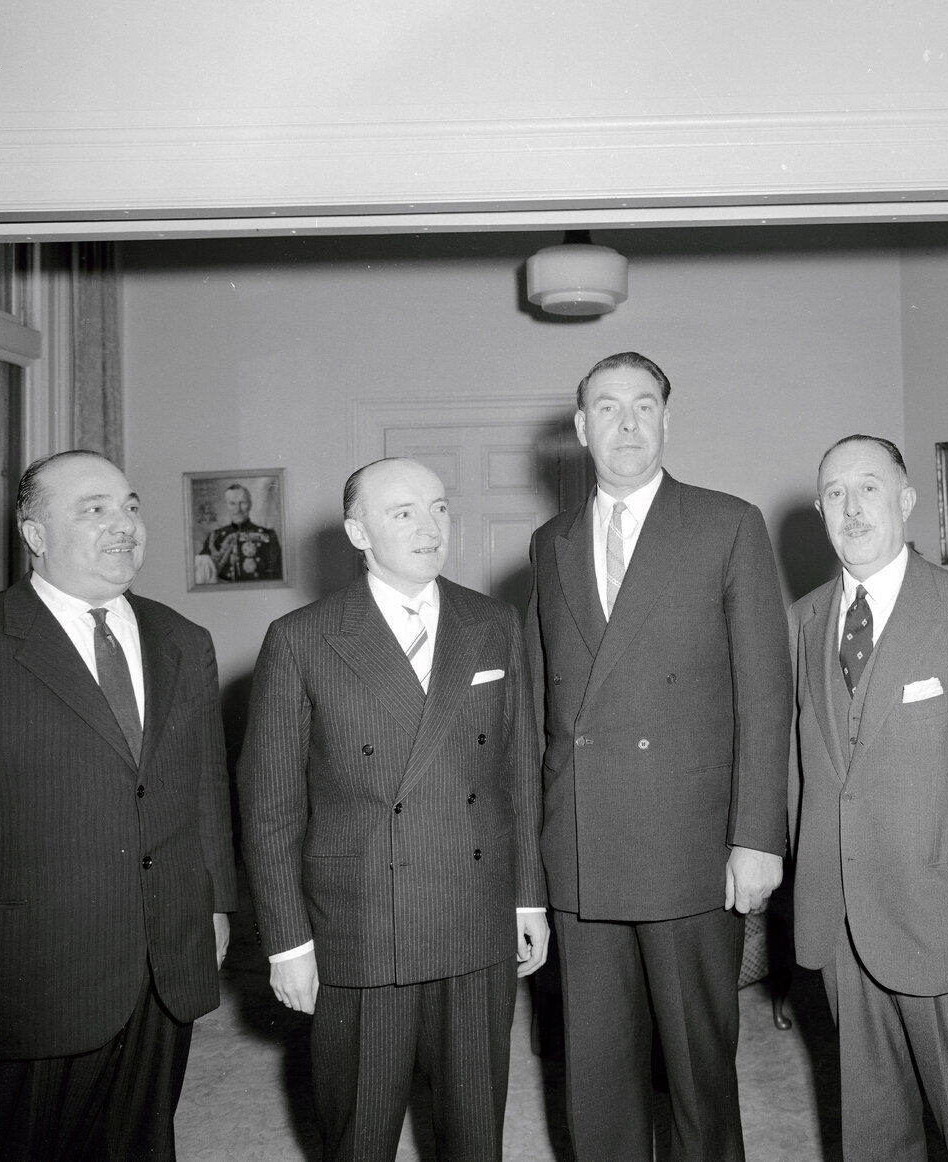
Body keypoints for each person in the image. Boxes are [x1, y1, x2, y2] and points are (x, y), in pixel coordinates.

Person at [0, 449, 236, 1161]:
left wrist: (214, 904)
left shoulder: (183, 641)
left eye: (131, 506)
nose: (124, 524)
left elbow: (204, 790)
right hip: (22, 983)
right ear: (35, 534)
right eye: (94, 509)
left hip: (161, 969)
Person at [239, 457, 547, 1162]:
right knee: (361, 1132)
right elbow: (270, 809)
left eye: (438, 508)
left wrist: (528, 899)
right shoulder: (302, 638)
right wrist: (287, 942)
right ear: (357, 531)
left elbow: (517, 772)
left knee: (476, 1134)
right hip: (363, 923)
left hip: (475, 912)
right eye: (403, 512)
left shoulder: (493, 622)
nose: (430, 526)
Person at [525, 351, 791, 1161]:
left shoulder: (727, 522)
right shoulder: (550, 542)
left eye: (645, 406)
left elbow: (765, 692)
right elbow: (543, 713)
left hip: (689, 844)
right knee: (596, 1080)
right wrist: (531, 878)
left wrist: (757, 837)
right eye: (607, 408)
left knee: (697, 1074)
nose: (628, 423)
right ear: (580, 429)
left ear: (668, 420)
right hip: (580, 846)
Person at [787, 434, 948, 1162]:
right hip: (843, 920)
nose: (851, 507)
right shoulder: (804, 621)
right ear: (819, 510)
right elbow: (800, 773)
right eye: (834, 493)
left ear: (905, 500)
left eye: (868, 488)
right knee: (873, 1132)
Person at [195, 481, 281, 583]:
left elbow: (277, 575)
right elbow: (202, 576)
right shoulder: (215, 537)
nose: (237, 509)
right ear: (226, 505)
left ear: (250, 504)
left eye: (242, 503)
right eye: (232, 503)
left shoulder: (268, 535)